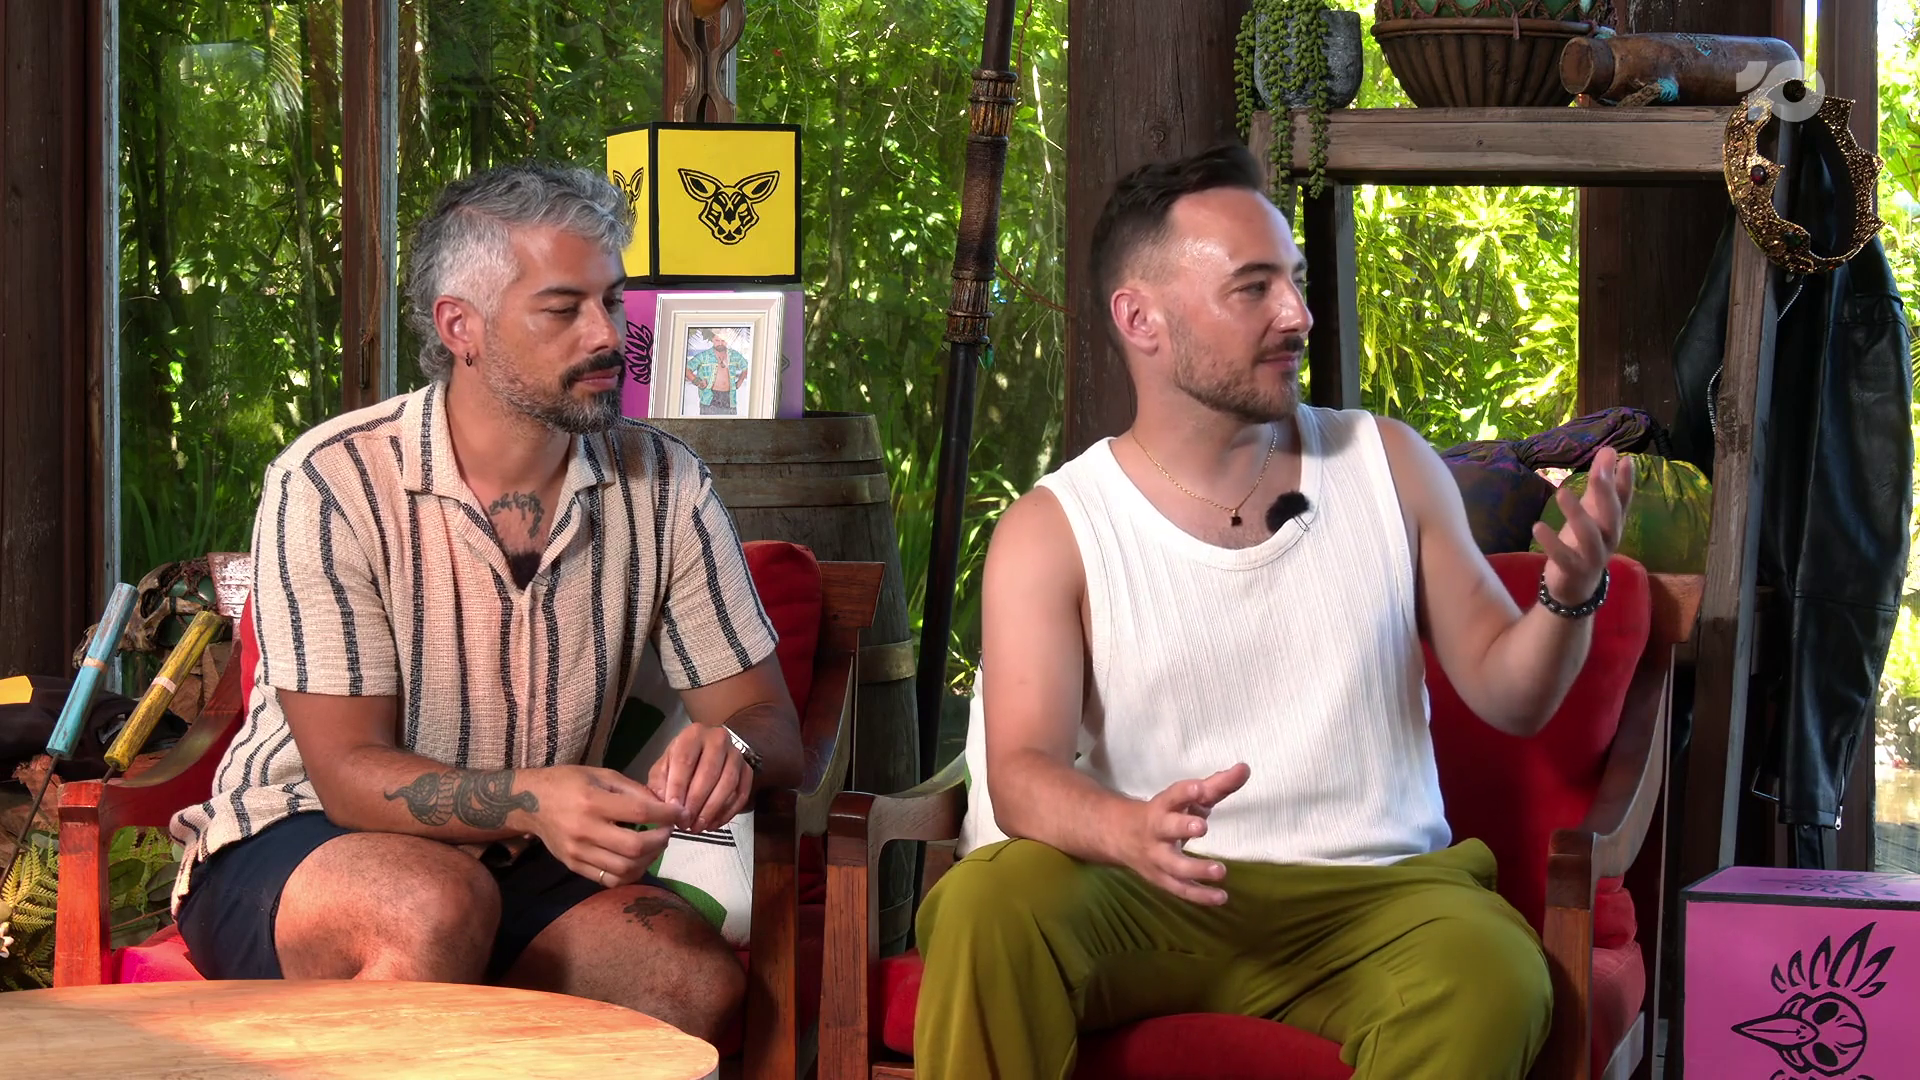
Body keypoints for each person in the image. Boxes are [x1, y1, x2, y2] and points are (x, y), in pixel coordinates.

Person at [916, 143, 1633, 1079]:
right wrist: (1129, 831)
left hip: (1377, 903)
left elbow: (1512, 693)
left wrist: (1567, 599)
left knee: (1492, 975)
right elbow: (1021, 775)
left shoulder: (1388, 463)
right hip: (1143, 890)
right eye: (1253, 288)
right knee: (991, 905)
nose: (1296, 313)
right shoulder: (1054, 529)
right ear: (1141, 318)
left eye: (1293, 281)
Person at [168, 163, 802, 1043]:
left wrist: (733, 748)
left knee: (686, 983)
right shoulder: (331, 478)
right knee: (431, 907)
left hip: (524, 856)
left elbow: (771, 724)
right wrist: (536, 799)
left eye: (613, 301)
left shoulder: (667, 483)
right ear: (459, 326)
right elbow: (346, 775)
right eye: (562, 308)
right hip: (298, 839)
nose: (607, 334)